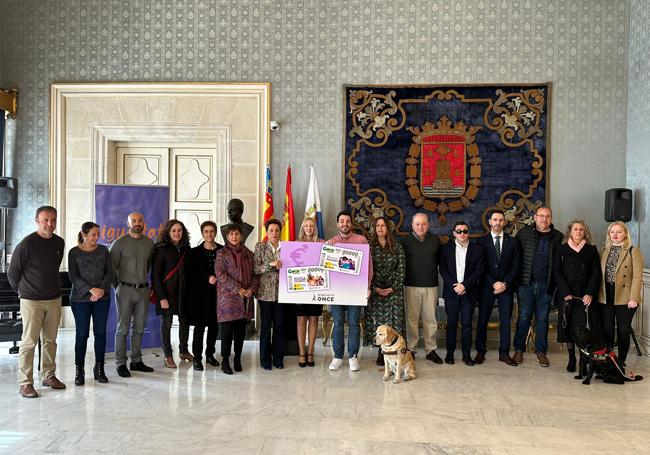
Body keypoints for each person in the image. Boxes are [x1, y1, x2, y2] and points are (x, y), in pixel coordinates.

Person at [9, 206, 66, 398]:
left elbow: (52, 268)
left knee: (50, 341)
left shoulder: (59, 242)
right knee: (29, 343)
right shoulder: (27, 244)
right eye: (45, 220)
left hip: (54, 299)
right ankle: (25, 383)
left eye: (53, 220)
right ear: (37, 221)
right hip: (31, 301)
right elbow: (13, 273)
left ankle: (48, 375)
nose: (50, 224)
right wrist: (24, 292)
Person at [512, 206, 563, 367]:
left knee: (542, 319)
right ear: (534, 217)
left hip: (546, 286)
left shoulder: (558, 237)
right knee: (524, 317)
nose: (544, 219)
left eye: (547, 216)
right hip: (525, 284)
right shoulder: (523, 234)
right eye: (541, 216)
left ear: (551, 218)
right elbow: (515, 258)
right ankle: (519, 350)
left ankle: (541, 352)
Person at [68, 221, 114, 386]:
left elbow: (110, 273)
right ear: (84, 234)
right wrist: (90, 290)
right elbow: (73, 276)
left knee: (100, 333)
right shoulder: (73, 252)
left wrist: (100, 290)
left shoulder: (104, 250)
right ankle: (79, 371)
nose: (97, 237)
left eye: (98, 234)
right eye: (93, 234)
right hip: (80, 300)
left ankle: (99, 368)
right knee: (82, 335)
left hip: (102, 298)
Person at [110, 211, 155, 378]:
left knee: (139, 328)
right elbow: (111, 269)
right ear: (128, 223)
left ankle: (136, 361)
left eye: (140, 221)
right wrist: (118, 287)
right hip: (125, 290)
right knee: (122, 328)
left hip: (143, 290)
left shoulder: (149, 243)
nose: (137, 223)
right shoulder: (119, 243)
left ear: (144, 223)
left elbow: (148, 266)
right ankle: (120, 363)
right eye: (133, 221)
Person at [327, 210, 372, 372]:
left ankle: (353, 356)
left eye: (347, 221)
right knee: (338, 323)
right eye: (341, 221)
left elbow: (368, 266)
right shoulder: (331, 242)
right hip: (337, 291)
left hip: (355, 290)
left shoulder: (361, 240)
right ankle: (337, 357)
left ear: (351, 224)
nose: (344, 224)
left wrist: (367, 286)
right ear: (337, 223)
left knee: (354, 323)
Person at [553, 220, 601, 372]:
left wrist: (590, 293)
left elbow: (595, 273)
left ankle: (583, 358)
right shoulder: (562, 249)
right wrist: (565, 292)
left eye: (581, 229)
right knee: (568, 327)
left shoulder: (591, 250)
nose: (578, 231)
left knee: (583, 328)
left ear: (584, 232)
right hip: (567, 295)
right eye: (575, 229)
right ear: (570, 231)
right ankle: (571, 357)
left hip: (584, 295)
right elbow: (556, 271)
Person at [475, 210, 520, 366]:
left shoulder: (512, 242)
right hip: (487, 287)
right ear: (489, 222)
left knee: (505, 321)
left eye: (501, 220)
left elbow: (516, 266)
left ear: (504, 222)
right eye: (495, 220)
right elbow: (479, 267)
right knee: (482, 320)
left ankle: (504, 353)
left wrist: (505, 283)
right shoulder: (481, 242)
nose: (498, 223)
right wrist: (493, 283)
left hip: (506, 288)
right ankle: (480, 352)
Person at [598, 221, 644, 366]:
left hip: (625, 296)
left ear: (625, 234)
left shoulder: (633, 250)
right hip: (606, 294)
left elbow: (637, 276)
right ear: (609, 234)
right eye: (612, 232)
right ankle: (609, 358)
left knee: (623, 330)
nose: (615, 235)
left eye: (619, 232)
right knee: (607, 329)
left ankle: (622, 360)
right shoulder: (604, 250)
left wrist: (634, 297)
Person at [439, 221, 485, 366]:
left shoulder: (478, 250)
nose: (462, 234)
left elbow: (479, 271)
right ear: (454, 233)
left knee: (467, 325)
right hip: (451, 292)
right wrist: (455, 286)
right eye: (459, 231)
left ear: (468, 233)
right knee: (451, 324)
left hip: (469, 292)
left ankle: (466, 355)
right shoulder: (445, 249)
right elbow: (443, 269)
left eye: (465, 231)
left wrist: (464, 285)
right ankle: (450, 354)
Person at [215, 223, 259, 374]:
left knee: (240, 332)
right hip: (228, 299)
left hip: (245, 299)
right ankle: (225, 361)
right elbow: (220, 274)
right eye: (231, 234)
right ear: (227, 237)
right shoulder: (222, 253)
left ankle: (237, 359)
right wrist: (237, 289)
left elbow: (255, 274)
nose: (234, 237)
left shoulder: (249, 253)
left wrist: (251, 289)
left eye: (237, 234)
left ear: (241, 236)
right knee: (227, 333)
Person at [400, 212, 443, 364]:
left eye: (423, 223)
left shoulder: (435, 240)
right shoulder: (405, 241)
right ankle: (411, 349)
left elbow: (439, 262)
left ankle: (431, 350)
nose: (421, 226)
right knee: (411, 320)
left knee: (430, 319)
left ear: (428, 225)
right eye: (417, 224)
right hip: (411, 285)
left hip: (431, 285)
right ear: (412, 225)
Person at [363, 216, 406, 367]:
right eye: (378, 226)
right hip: (375, 290)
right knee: (378, 323)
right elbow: (364, 269)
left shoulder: (396, 246)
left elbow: (401, 268)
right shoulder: (369, 246)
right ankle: (381, 353)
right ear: (374, 229)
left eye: (383, 225)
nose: (380, 228)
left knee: (394, 322)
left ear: (388, 228)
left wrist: (393, 287)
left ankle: (397, 351)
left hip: (393, 290)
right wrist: (375, 288)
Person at [152, 219, 192, 369]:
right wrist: (161, 297)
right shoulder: (161, 249)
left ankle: (183, 351)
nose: (177, 233)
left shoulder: (187, 249)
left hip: (184, 294)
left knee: (185, 323)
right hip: (167, 294)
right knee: (166, 324)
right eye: (174, 230)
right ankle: (168, 355)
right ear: (168, 232)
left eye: (179, 230)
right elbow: (155, 276)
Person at [185, 221, 222, 371]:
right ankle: (197, 358)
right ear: (202, 234)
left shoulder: (222, 250)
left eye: (212, 231)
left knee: (214, 326)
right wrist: (206, 278)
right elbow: (189, 274)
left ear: (215, 233)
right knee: (199, 328)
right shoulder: (193, 253)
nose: (209, 234)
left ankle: (210, 355)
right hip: (200, 296)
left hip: (218, 295)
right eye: (206, 231)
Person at [254, 218, 285, 370]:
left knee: (279, 326)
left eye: (277, 230)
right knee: (266, 326)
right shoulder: (260, 247)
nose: (274, 233)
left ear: (280, 232)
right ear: (267, 232)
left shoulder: (286, 247)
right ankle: (265, 359)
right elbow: (255, 269)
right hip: (265, 294)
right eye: (271, 230)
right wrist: (270, 265)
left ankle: (278, 358)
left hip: (282, 294)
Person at [295, 217, 325, 367]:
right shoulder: (295, 244)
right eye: (306, 225)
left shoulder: (321, 243)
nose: (308, 227)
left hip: (316, 286)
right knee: (301, 319)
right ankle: (301, 352)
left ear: (315, 228)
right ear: (303, 228)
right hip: (301, 288)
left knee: (313, 319)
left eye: (311, 225)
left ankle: (311, 351)